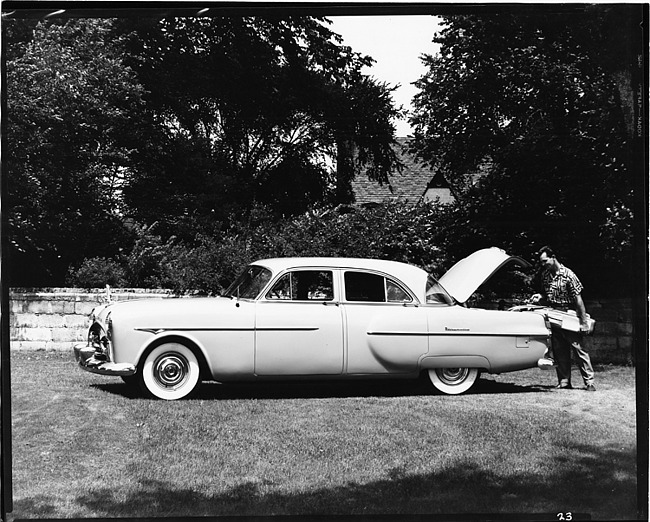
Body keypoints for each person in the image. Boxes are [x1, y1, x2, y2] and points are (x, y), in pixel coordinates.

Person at [530, 246, 596, 391]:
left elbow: (578, 300)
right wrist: (540, 297)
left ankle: (589, 382)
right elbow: (547, 297)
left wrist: (583, 322)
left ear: (553, 257)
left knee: (578, 349)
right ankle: (564, 381)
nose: (543, 264)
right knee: (559, 350)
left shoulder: (568, 275)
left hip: (568, 316)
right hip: (553, 315)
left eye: (545, 261)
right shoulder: (546, 275)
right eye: (541, 262)